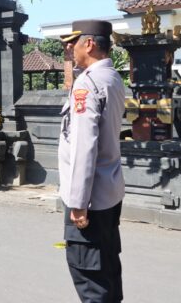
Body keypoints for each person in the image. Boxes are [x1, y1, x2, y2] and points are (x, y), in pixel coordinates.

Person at [58, 20, 126, 302]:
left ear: (89, 44)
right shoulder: (113, 77)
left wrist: (77, 202)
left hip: (90, 198)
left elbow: (84, 147)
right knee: (107, 267)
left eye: (73, 43)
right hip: (109, 192)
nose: (69, 49)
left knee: (90, 277)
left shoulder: (88, 83)